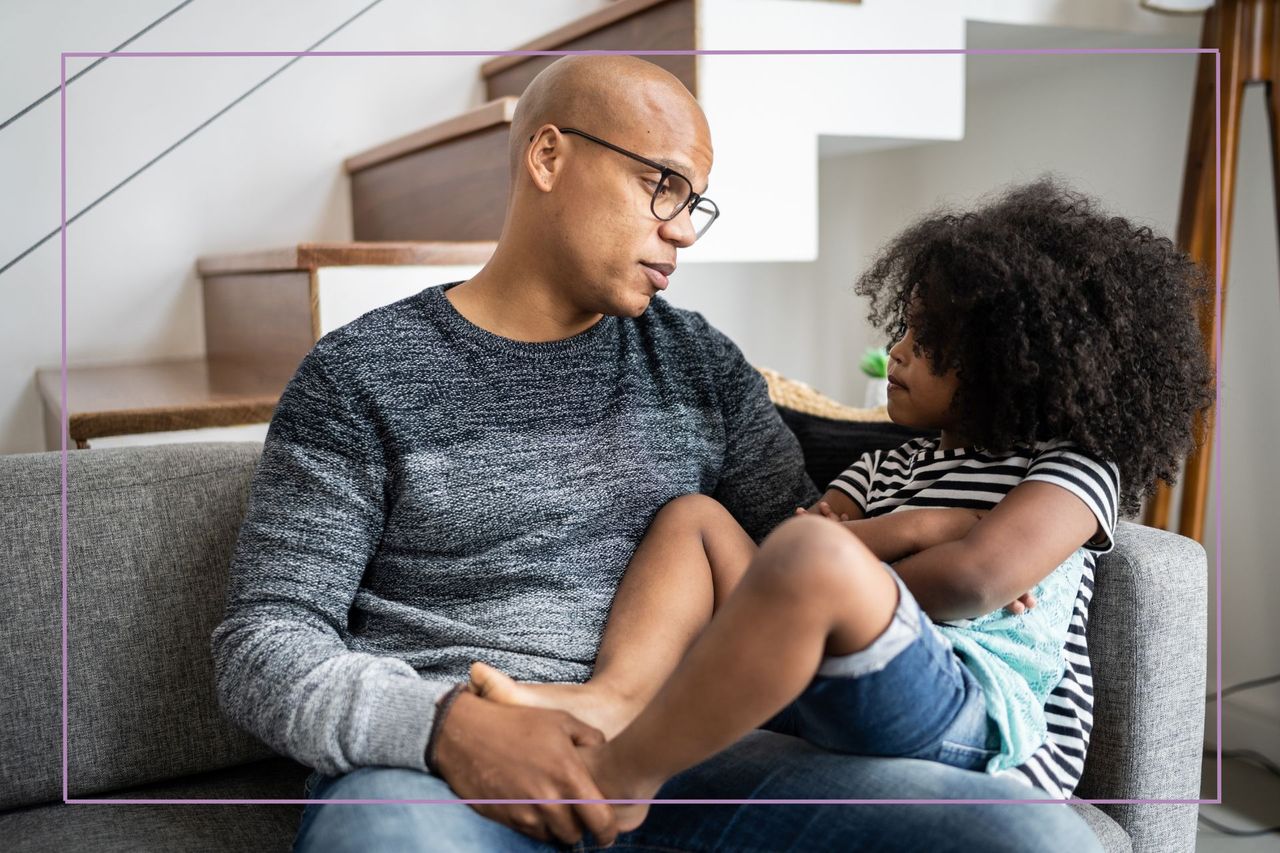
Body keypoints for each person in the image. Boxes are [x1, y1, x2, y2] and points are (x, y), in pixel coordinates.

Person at [212, 53, 1109, 851]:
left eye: (694, 204)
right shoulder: (361, 375)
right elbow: (263, 643)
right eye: (662, 186)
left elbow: (790, 561)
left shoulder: (697, 364)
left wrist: (953, 522)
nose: (682, 229)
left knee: (1026, 834)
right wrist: (447, 727)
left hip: (691, 758)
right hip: (449, 772)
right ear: (549, 156)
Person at [470, 178, 1216, 832]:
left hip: (978, 717)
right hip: (834, 676)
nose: (896, 352)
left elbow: (973, 582)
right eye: (904, 328)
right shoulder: (888, 463)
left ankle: (621, 780)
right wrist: (918, 528)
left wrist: (871, 551)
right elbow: (789, 556)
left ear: (1015, 361)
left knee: (813, 557)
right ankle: (611, 697)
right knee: (693, 517)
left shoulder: (1071, 470)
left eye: (928, 342)